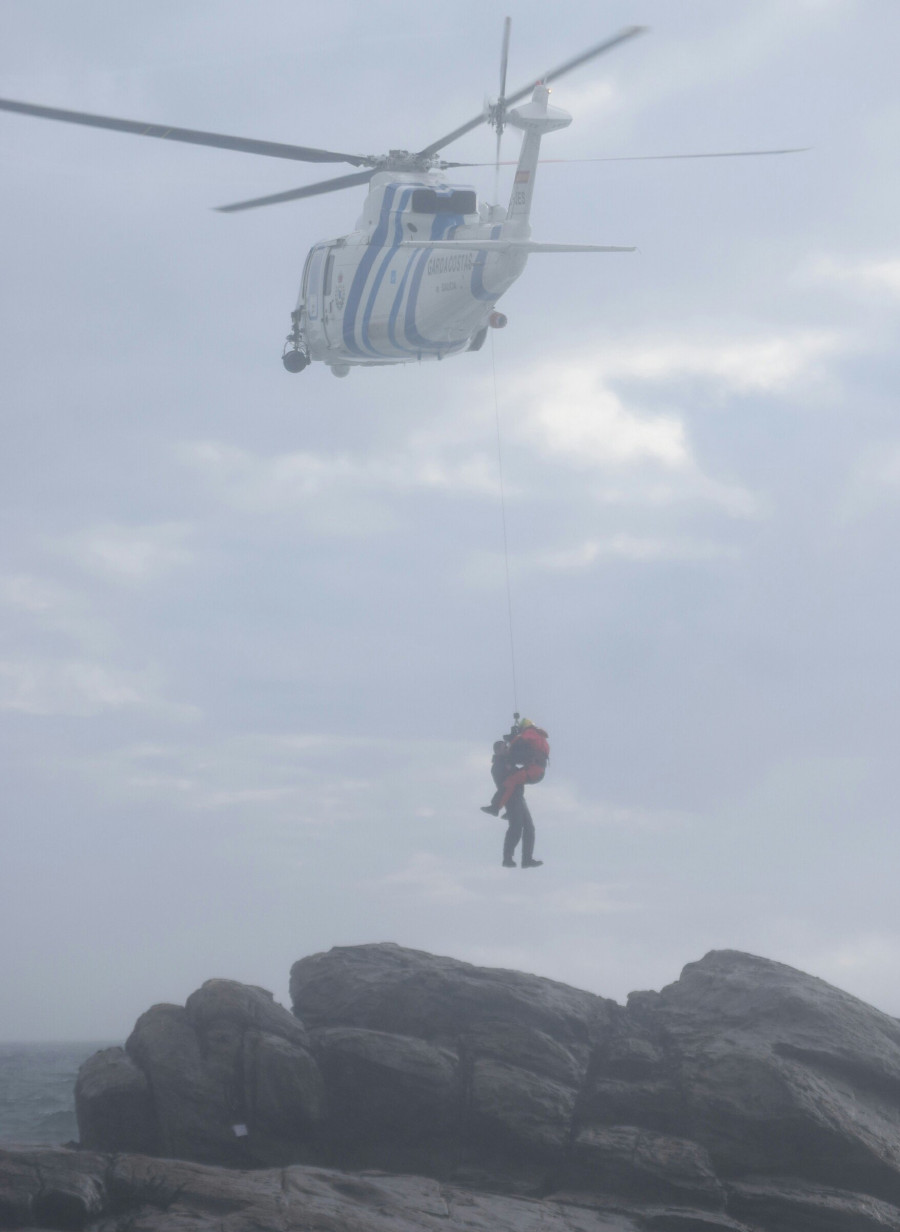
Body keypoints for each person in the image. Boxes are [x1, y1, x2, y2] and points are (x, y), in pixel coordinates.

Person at [481, 718, 549, 868]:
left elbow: (520, 761)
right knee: (516, 827)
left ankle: (526, 859)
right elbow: (506, 781)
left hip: (518, 798)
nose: (507, 748)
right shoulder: (498, 765)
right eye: (504, 747)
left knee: (529, 828)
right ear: (498, 751)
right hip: (511, 798)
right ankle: (507, 858)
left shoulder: (509, 761)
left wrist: (516, 739)